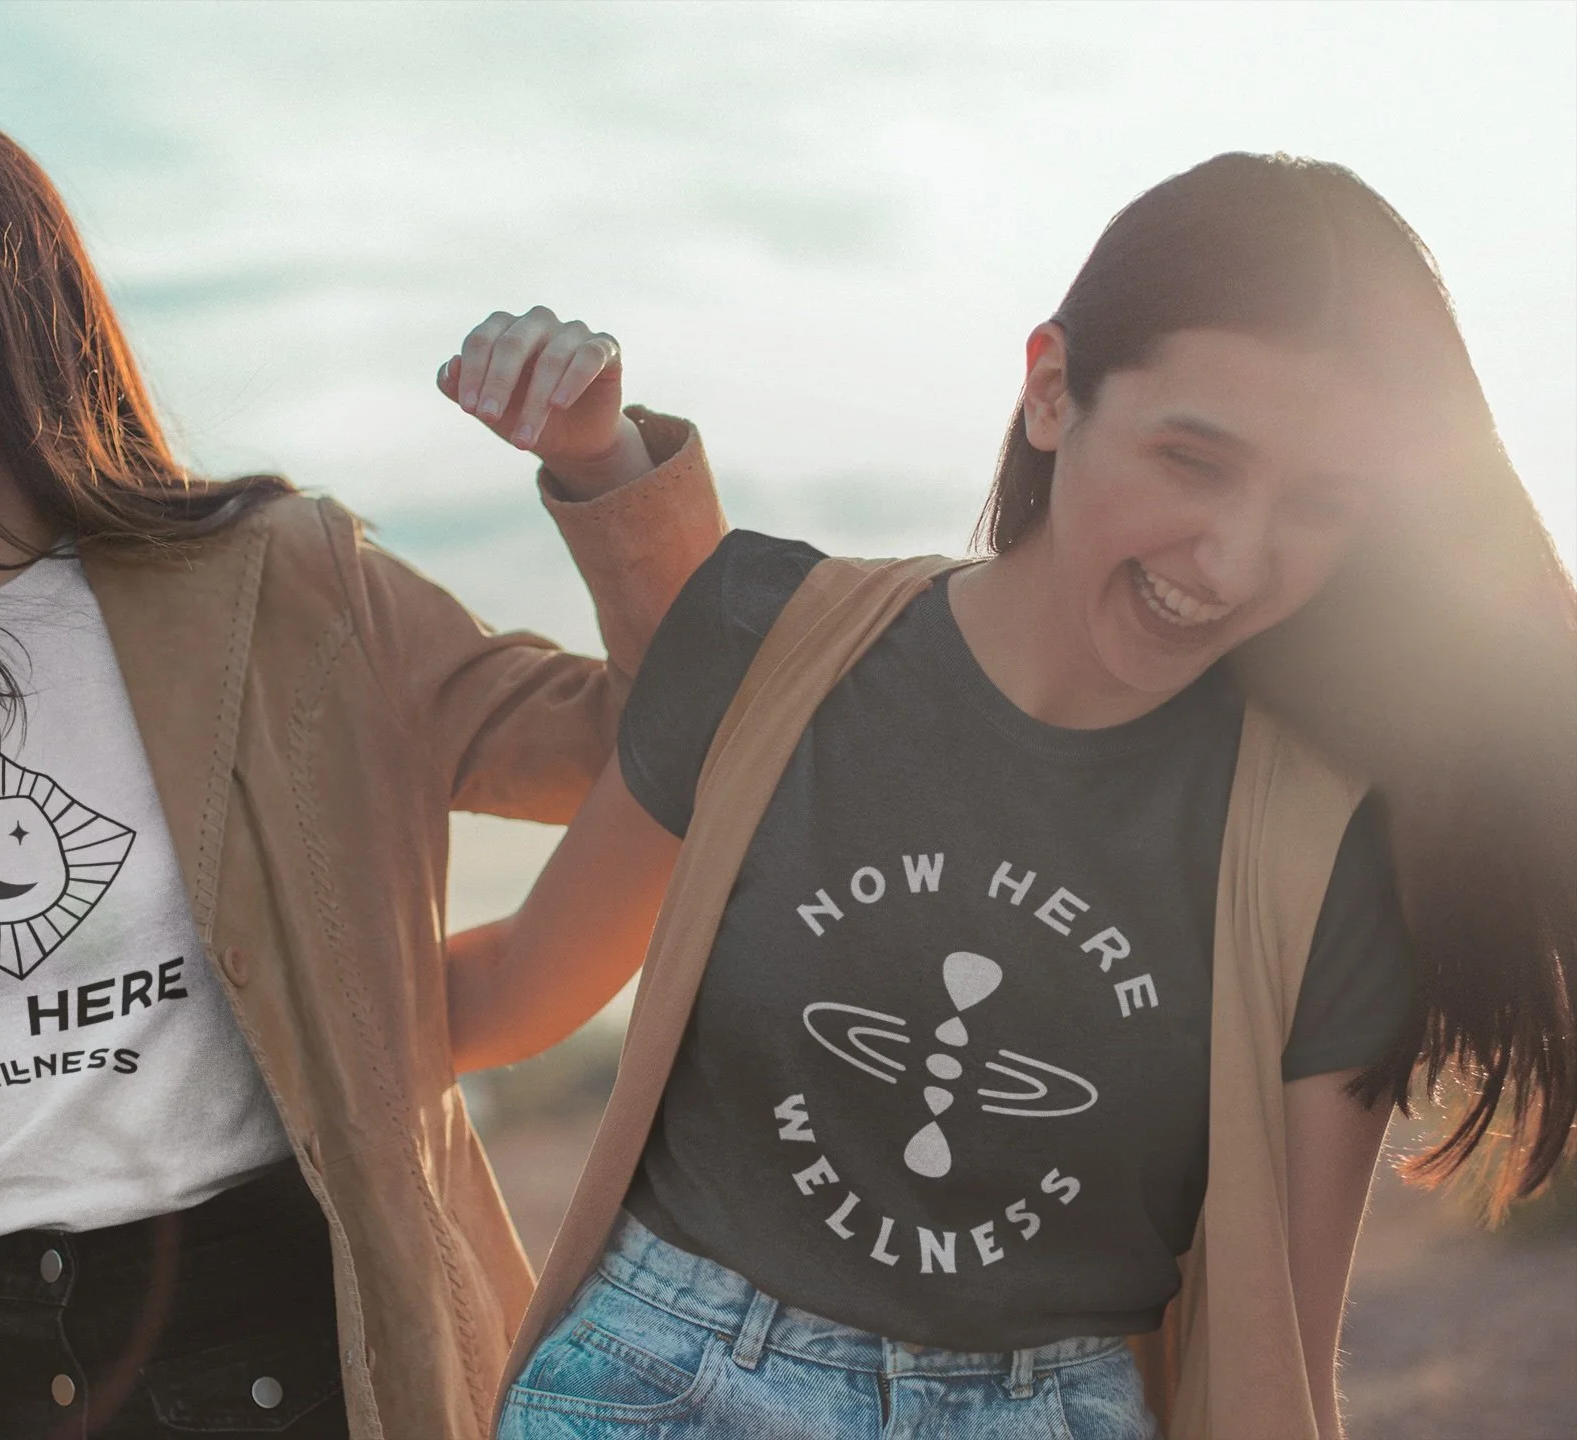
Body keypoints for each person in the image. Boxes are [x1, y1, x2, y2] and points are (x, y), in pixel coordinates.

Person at [451, 153, 1577, 1439]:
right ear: (1050, 390)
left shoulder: (1318, 844)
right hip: (660, 1389)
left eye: (1320, 505)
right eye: (1194, 460)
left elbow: (1278, 1357)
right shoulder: (768, 638)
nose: (1234, 560)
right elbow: (507, 994)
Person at [0, 99, 728, 1439]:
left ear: (26, 282)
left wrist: (601, 464)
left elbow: (656, 740)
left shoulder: (279, 589)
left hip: (297, 1366)